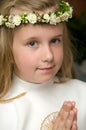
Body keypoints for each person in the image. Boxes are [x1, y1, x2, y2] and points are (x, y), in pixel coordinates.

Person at [0, 0, 86, 130]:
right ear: (8, 51)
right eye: (32, 43)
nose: (49, 56)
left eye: (54, 41)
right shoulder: (4, 112)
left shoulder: (82, 93)